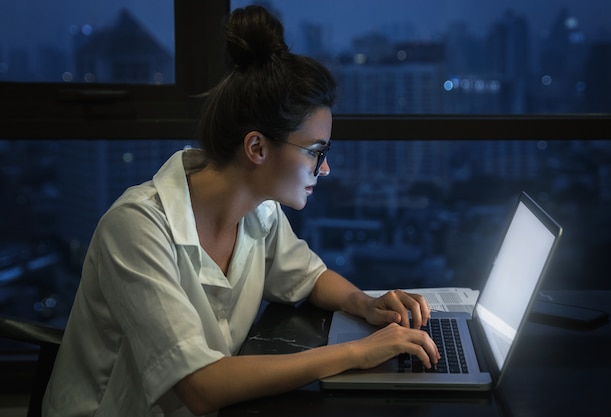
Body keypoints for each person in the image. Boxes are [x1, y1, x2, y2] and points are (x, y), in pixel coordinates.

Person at [43, 5, 440, 417]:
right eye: (317, 152)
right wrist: (356, 352)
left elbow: (309, 276)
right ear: (257, 148)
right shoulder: (138, 228)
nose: (325, 168)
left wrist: (364, 304)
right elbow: (201, 386)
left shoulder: (259, 213)